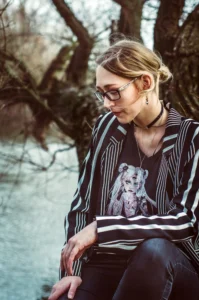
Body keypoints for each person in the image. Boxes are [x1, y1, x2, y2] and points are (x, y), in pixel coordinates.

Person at [49, 39, 199, 300]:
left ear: (145, 83)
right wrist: (71, 271)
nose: (106, 103)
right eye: (101, 92)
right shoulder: (106, 127)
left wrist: (102, 229)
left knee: (153, 251)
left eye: (113, 91)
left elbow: (185, 221)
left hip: (170, 266)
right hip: (107, 261)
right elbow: (83, 204)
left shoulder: (192, 139)